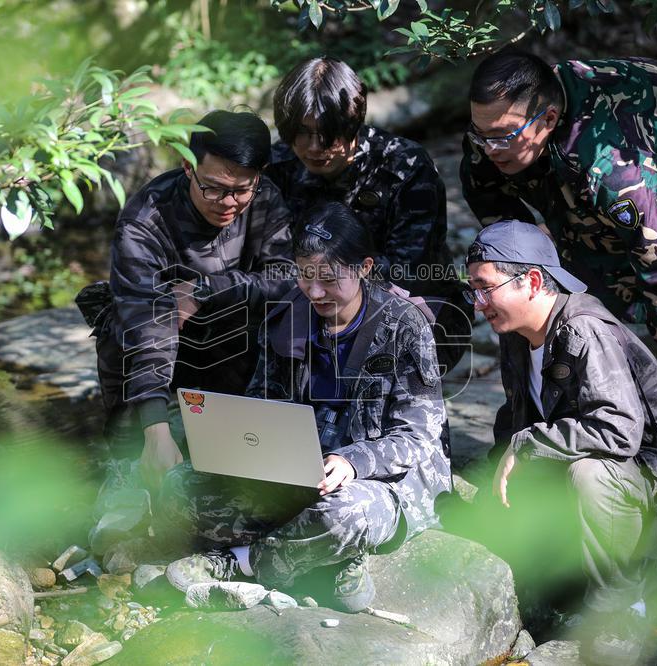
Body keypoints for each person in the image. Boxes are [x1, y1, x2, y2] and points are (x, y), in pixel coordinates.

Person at [459, 51, 657, 477]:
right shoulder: (494, 132)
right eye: (480, 135)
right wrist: (533, 252)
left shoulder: (607, 165)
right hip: (615, 190)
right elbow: (490, 203)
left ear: (547, 120)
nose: (488, 148)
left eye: (501, 137)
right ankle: (571, 444)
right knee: (576, 313)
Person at [158, 202, 452, 612]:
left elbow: (419, 435)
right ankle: (323, 560)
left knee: (344, 517)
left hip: (379, 481)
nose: (314, 291)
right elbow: (262, 407)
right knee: (178, 489)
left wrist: (352, 462)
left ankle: (240, 561)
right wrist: (241, 448)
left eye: (329, 279)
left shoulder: (404, 324)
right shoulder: (289, 315)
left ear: (364, 267)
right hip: (297, 474)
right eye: (305, 275)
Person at [466, 220, 657, 664]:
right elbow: (515, 419)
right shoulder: (517, 334)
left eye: (485, 288)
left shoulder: (584, 330)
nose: (477, 303)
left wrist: (530, 443)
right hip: (615, 479)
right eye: (473, 289)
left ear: (531, 281)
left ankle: (622, 608)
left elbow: (618, 430)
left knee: (589, 472)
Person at [81, 110, 294, 490]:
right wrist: (154, 428)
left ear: (258, 176)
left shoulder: (264, 198)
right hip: (159, 350)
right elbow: (145, 325)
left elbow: (286, 279)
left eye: (241, 190)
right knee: (119, 330)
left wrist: (205, 290)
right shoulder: (145, 220)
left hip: (233, 345)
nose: (228, 203)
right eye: (213, 188)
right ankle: (131, 460)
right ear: (187, 166)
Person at [267, 56, 470, 372]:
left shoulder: (404, 166)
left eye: (327, 132)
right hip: (309, 302)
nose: (313, 147)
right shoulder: (279, 165)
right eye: (301, 132)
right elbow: (269, 258)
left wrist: (331, 283)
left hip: (409, 311)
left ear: (353, 123)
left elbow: (409, 270)